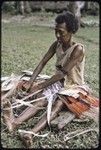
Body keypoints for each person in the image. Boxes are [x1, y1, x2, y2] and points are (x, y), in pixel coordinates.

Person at [24, 11, 87, 93]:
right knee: (36, 96)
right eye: (56, 31)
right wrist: (30, 82)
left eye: (61, 32)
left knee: (54, 104)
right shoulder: (56, 45)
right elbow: (43, 62)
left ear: (71, 31)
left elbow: (62, 73)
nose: (57, 35)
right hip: (59, 82)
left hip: (73, 86)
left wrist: (39, 86)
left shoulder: (78, 49)